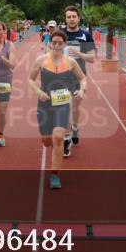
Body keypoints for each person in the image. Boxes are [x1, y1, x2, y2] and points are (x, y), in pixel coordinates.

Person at [28, 30, 87, 189]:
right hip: (44, 104)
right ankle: (48, 141)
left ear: (64, 44)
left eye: (60, 43)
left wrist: (81, 90)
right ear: (50, 43)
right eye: (54, 42)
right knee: (47, 141)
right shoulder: (41, 60)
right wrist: (39, 92)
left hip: (62, 104)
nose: (56, 45)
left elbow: (83, 78)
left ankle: (55, 174)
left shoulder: (71, 62)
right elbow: (30, 79)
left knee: (58, 137)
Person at [63, 6, 96, 154]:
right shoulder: (60, 34)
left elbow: (92, 58)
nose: (71, 19)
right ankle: (66, 139)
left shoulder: (85, 35)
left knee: (74, 108)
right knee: (64, 108)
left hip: (79, 76)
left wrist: (78, 53)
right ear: (65, 19)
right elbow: (50, 52)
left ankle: (75, 128)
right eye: (69, 17)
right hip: (62, 77)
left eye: (73, 16)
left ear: (78, 18)